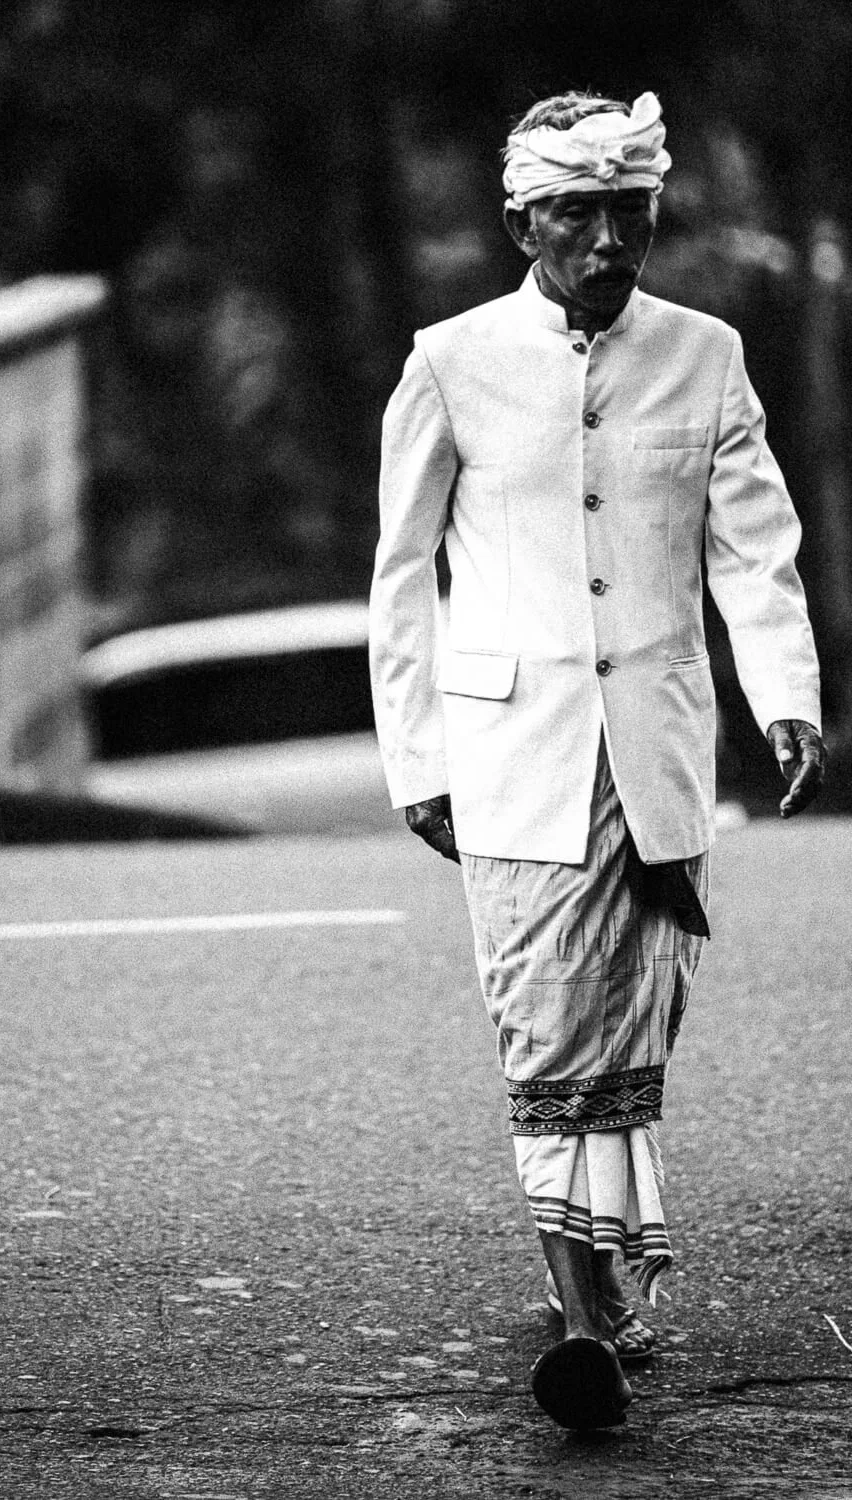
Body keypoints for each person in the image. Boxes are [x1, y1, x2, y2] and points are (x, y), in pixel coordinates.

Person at [368, 89, 825, 1431]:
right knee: (546, 1018)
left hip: (659, 756)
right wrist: (419, 756)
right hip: (510, 756)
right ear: (523, 219)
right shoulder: (450, 362)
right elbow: (402, 577)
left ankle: (602, 1278)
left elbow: (756, 549)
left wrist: (785, 694)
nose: (608, 240)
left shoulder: (707, 358)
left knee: (635, 1021)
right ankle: (580, 1322)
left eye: (628, 212)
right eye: (578, 212)